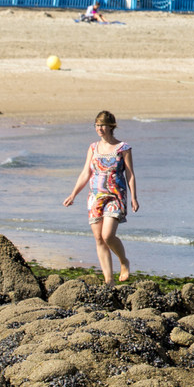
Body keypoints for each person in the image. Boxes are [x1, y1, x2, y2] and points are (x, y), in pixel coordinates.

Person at [62, 110, 139, 286]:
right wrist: (73, 194)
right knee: (98, 238)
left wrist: (134, 197)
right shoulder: (93, 148)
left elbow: (130, 174)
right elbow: (85, 173)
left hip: (115, 196)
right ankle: (109, 280)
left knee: (107, 235)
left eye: (102, 125)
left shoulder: (123, 148)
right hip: (95, 196)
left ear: (111, 126)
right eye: (97, 125)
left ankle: (123, 261)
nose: (99, 128)